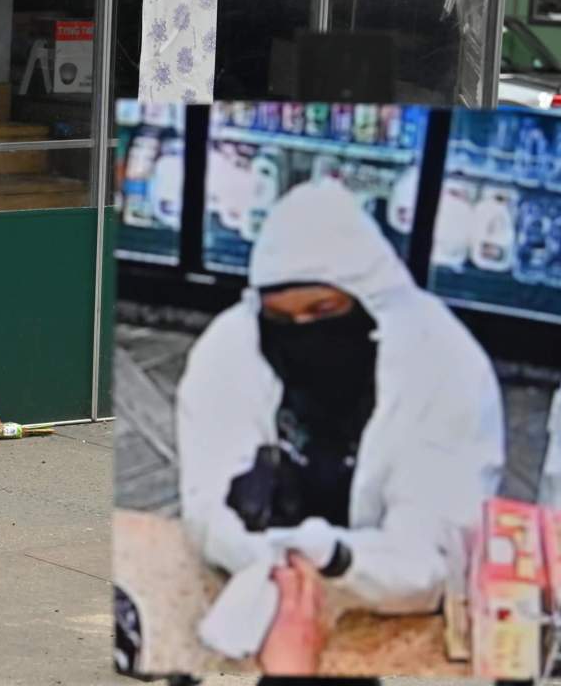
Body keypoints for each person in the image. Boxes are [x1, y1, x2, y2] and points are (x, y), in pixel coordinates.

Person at [176, 180, 505, 674]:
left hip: (392, 624)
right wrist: (253, 545)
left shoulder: (443, 363)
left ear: (370, 301)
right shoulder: (231, 345)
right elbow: (205, 504)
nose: (304, 330)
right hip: (258, 603)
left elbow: (437, 554)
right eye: (283, 318)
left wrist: (339, 558)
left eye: (323, 311)